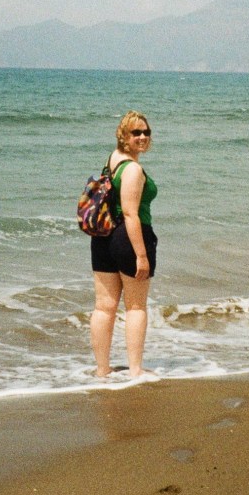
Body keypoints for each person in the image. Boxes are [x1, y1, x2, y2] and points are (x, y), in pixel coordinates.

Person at [90, 110, 158, 378]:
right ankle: (136, 370)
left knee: (103, 307)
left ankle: (102, 370)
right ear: (124, 136)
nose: (142, 137)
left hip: (103, 237)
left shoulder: (113, 161)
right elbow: (130, 214)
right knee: (136, 307)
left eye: (146, 132)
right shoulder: (132, 169)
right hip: (129, 237)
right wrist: (141, 256)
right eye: (136, 133)